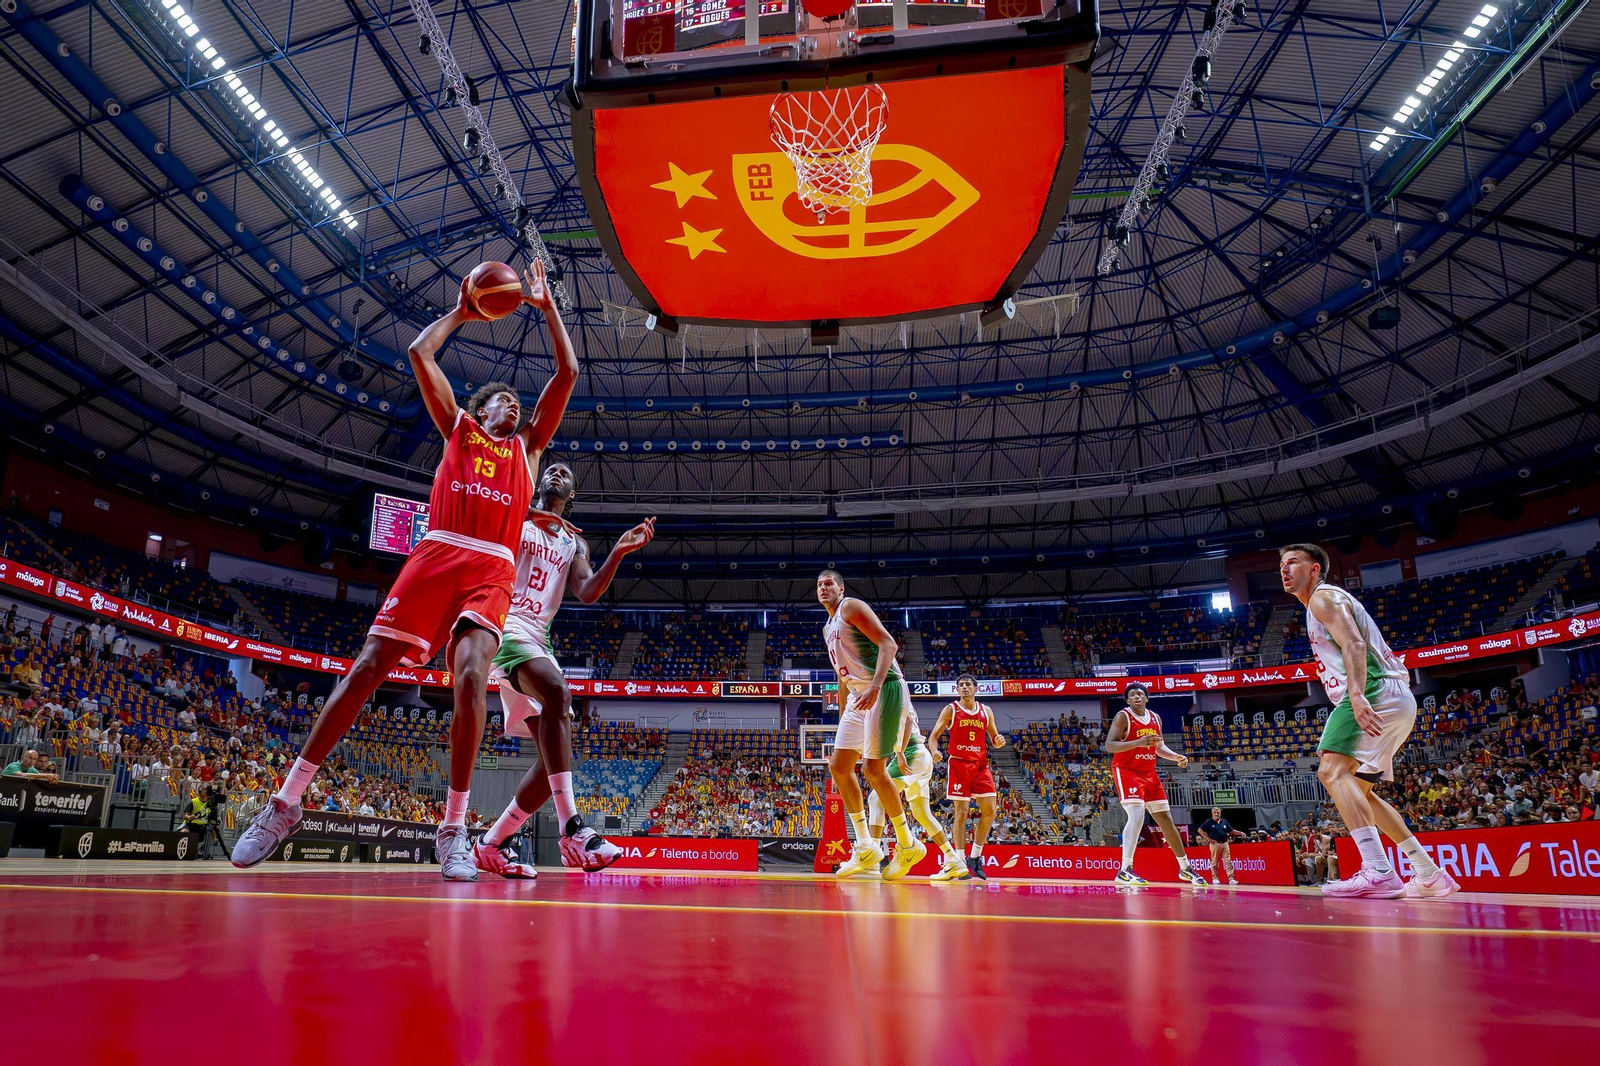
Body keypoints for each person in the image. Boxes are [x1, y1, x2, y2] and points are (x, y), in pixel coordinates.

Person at [232, 260, 576, 881]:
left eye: (517, 402)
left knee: (471, 678)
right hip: (438, 553)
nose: (512, 403)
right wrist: (463, 313)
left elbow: (568, 372)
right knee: (366, 669)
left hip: (490, 570)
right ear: (481, 408)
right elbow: (421, 352)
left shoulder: (527, 451)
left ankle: (454, 829)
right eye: (502, 398)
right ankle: (286, 803)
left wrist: (547, 308)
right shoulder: (459, 430)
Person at [472, 462, 656, 878]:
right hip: (505, 624)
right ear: (540, 484)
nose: (556, 473)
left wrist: (619, 551)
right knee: (558, 692)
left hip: (541, 638)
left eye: (565, 473)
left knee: (551, 759)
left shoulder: (574, 542)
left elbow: (587, 592)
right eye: (551, 469)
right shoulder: (517, 515)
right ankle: (573, 828)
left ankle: (491, 844)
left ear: (572, 494)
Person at [1280, 543, 1459, 899]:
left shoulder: (1322, 598)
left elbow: (1355, 645)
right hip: (1398, 697)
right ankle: (1428, 873)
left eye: (1294, 562)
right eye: (1282, 564)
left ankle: (1378, 872)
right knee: (1362, 792)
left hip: (1372, 690)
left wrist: (1358, 695)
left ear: (1315, 569)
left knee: (1330, 772)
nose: (1285, 569)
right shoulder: (1321, 603)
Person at [816, 570, 926, 881]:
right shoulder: (828, 626)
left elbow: (888, 644)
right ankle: (866, 845)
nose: (823, 588)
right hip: (856, 696)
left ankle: (907, 844)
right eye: (819, 585)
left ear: (841, 587)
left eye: (828, 583)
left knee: (874, 769)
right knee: (839, 766)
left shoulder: (851, 607)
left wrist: (876, 686)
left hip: (884, 688)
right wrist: (842, 715)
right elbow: (841, 674)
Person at [1104, 681, 1206, 887]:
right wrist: (1137, 743)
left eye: (1140, 694)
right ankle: (1124, 869)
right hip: (1127, 771)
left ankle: (1185, 868)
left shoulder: (1155, 718)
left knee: (1166, 819)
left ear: (1146, 698)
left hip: (1149, 772)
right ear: (1127, 700)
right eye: (1132, 695)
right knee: (1137, 814)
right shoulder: (1123, 716)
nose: (1136, 697)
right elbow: (1109, 745)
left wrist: (1176, 756)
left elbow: (1158, 746)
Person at [865, 704, 969, 882]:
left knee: (876, 798)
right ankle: (953, 859)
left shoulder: (889, 692)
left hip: (911, 753)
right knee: (922, 814)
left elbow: (908, 720)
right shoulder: (889, 693)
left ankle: (871, 858)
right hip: (920, 755)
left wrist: (899, 753)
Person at [927, 674, 1007, 879]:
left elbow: (995, 739)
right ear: (957, 690)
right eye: (961, 685)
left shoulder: (986, 711)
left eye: (967, 685)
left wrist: (999, 740)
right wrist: (935, 751)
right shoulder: (951, 709)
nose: (964, 687)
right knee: (961, 813)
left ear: (975, 689)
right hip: (959, 764)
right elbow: (933, 736)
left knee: (990, 811)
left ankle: (975, 857)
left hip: (980, 765)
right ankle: (959, 860)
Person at [1197, 806, 1239, 886]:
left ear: (1220, 813)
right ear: (1212, 813)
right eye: (1215, 812)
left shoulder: (1224, 821)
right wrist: (1208, 839)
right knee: (1215, 862)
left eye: (1218, 812)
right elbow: (1200, 830)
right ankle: (1215, 878)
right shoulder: (1209, 821)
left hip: (1224, 843)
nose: (1217, 814)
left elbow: (1231, 831)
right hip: (1214, 844)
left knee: (1228, 861)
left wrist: (1240, 833)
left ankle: (1231, 879)